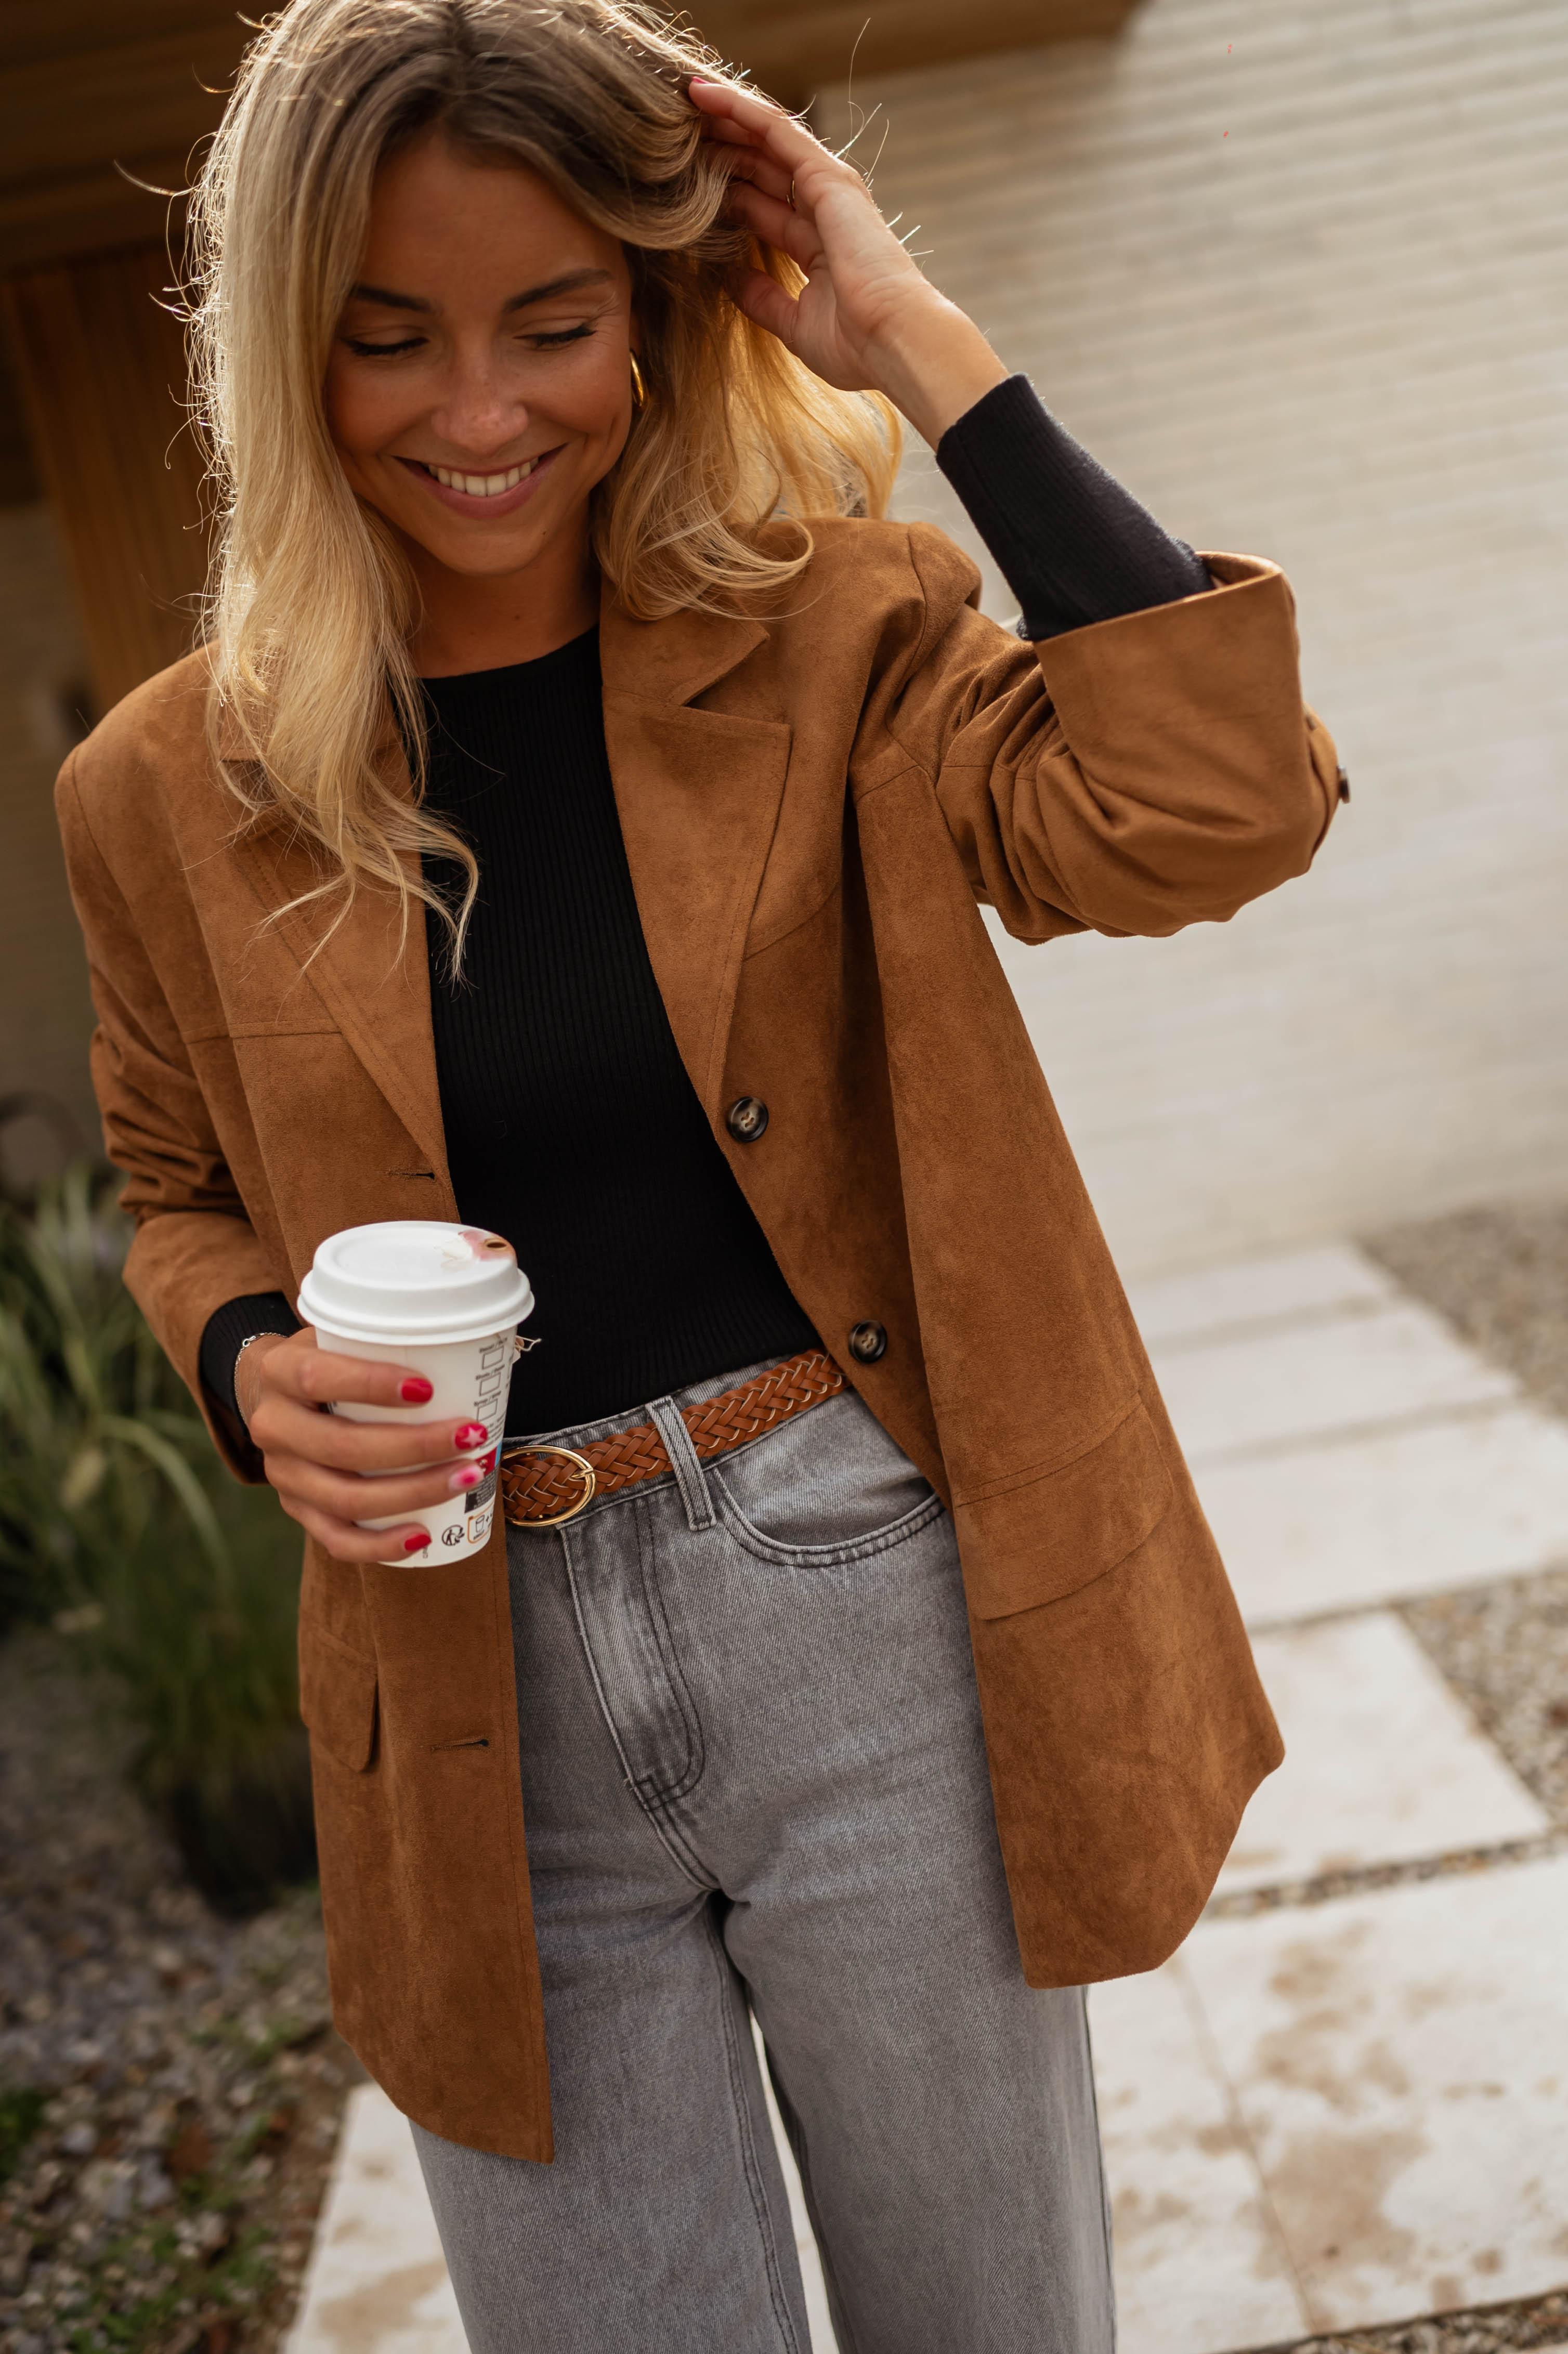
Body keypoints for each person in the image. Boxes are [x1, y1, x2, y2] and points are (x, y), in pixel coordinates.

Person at [55, 2, 1347, 2346]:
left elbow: (1211, 811)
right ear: (285, 351)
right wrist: (249, 1359)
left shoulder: (840, 631)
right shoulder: (164, 786)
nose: (480, 413)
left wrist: (917, 342)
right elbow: (173, 1181)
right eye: (390, 341)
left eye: (553, 325)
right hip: (464, 1691)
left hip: (855, 1597)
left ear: (650, 313)